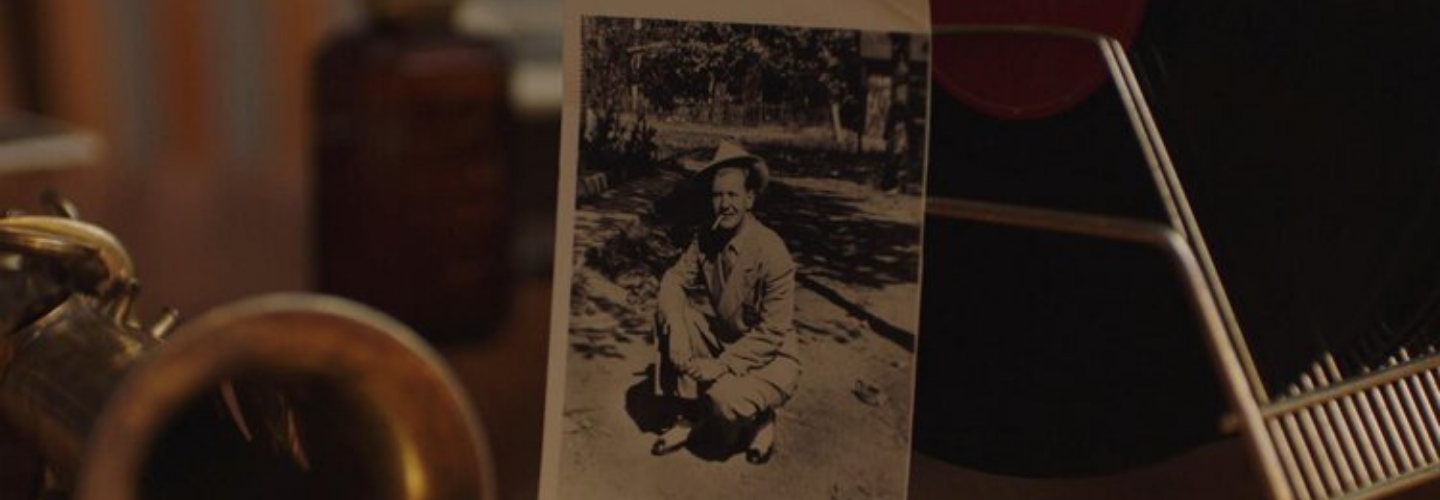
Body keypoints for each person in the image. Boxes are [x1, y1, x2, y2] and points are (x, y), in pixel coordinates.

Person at [650, 141, 801, 464]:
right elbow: (674, 280)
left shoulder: (772, 251)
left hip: (770, 354)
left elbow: (773, 332)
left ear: (750, 198)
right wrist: (676, 325)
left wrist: (720, 365)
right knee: (675, 315)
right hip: (727, 336)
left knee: (724, 396)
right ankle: (690, 414)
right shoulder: (706, 238)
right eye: (718, 196)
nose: (725, 205)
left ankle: (763, 419)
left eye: (733, 195)